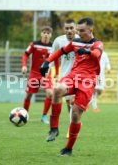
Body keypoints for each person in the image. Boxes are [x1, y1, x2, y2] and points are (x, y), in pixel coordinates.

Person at [40, 17, 103, 156]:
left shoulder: (97, 43)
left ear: (90, 30)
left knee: (75, 114)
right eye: (78, 30)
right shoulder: (76, 42)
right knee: (57, 89)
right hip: (73, 76)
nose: (78, 33)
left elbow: (97, 53)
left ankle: (68, 149)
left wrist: (88, 52)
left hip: (88, 82)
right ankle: (54, 128)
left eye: (81, 31)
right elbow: (61, 51)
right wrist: (47, 62)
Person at [50, 19, 78, 138]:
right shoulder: (59, 41)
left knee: (72, 101)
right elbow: (52, 56)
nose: (69, 30)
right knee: (68, 103)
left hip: (79, 77)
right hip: (65, 77)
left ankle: (71, 127)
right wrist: (48, 71)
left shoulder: (81, 40)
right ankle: (70, 125)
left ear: (75, 28)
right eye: (67, 28)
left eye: (71, 28)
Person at [21, 26, 56, 125]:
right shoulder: (34, 44)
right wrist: (24, 66)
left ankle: (44, 116)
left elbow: (56, 59)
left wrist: (56, 72)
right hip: (34, 74)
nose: (46, 34)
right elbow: (25, 54)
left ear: (51, 35)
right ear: (41, 34)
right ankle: (24, 114)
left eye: (48, 33)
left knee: (50, 93)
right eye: (44, 32)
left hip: (46, 75)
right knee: (28, 96)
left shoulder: (53, 46)